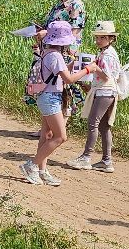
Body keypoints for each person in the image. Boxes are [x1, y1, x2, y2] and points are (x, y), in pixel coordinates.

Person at [21, 20, 98, 186]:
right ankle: (32, 165)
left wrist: (74, 64)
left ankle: (42, 170)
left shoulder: (49, 53)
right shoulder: (55, 56)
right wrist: (87, 70)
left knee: (47, 135)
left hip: (46, 96)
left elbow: (61, 71)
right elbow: (68, 79)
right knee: (60, 136)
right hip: (51, 98)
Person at [66, 20, 121, 172]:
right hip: (105, 91)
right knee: (104, 126)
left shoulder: (107, 55)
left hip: (105, 91)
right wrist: (90, 86)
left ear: (110, 38)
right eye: (97, 37)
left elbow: (106, 77)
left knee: (93, 123)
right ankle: (106, 160)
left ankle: (86, 156)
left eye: (102, 37)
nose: (98, 40)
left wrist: (94, 68)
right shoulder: (105, 52)